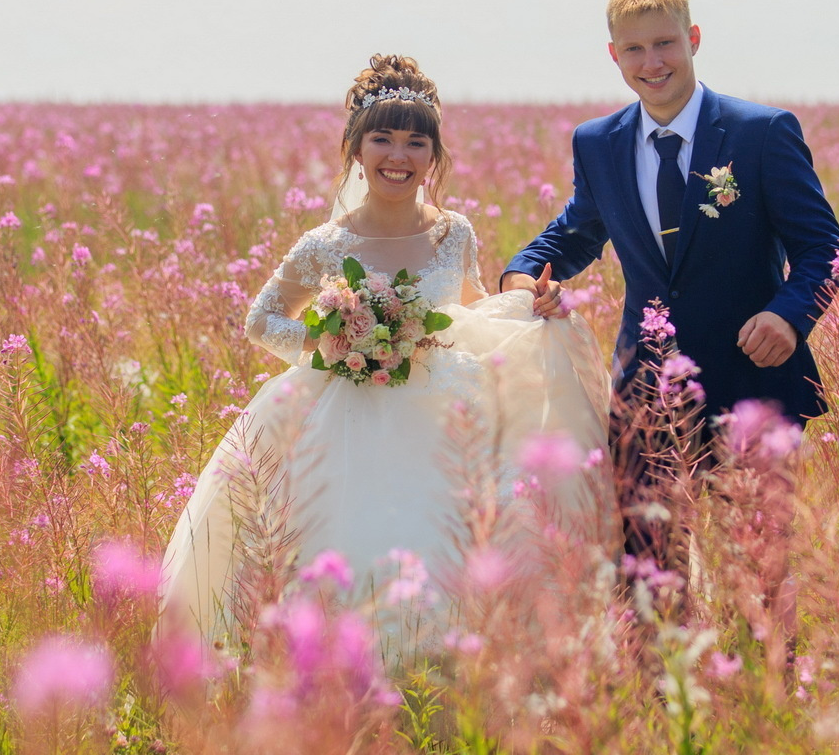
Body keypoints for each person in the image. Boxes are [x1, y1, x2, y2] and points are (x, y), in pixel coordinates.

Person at [160, 55, 614, 642]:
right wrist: (336, 344)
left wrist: (531, 304)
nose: (398, 156)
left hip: (444, 412)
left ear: (433, 156)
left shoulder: (453, 232)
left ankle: (448, 664)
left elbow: (471, 311)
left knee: (453, 539)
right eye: (382, 139)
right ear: (355, 149)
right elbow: (262, 321)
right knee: (353, 540)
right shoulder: (326, 243)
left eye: (415, 143)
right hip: (348, 416)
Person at [502, 0, 839, 431]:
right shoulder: (597, 143)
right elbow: (576, 233)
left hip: (753, 383)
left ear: (693, 39)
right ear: (614, 54)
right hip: (644, 395)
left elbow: (824, 249)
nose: (652, 62)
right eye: (634, 49)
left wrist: (788, 317)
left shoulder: (761, 133)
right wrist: (521, 273)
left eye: (665, 43)